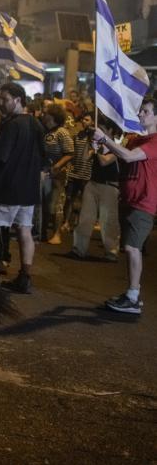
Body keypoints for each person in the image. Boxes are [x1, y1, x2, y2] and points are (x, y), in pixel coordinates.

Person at [93, 96, 157, 314]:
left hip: (144, 202)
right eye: (140, 111)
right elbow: (112, 157)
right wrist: (100, 144)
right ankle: (133, 295)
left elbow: (129, 157)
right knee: (129, 249)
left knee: (132, 248)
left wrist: (106, 139)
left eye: (146, 112)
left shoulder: (155, 141)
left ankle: (132, 297)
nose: (140, 114)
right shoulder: (134, 138)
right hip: (128, 200)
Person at [0, 83, 46, 293]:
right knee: (24, 230)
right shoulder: (36, 124)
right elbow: (45, 157)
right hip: (28, 189)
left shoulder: (13, 125)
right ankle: (25, 276)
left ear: (18, 99)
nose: (1, 103)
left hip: (6, 187)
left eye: (5, 99)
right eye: (0, 99)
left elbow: (0, 155)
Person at [72, 117, 121, 261]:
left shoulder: (117, 145)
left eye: (102, 129)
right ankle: (78, 249)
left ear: (110, 131)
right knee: (85, 218)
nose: (98, 132)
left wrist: (96, 149)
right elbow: (85, 158)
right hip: (92, 183)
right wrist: (90, 145)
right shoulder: (96, 143)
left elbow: (105, 161)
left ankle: (111, 252)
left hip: (109, 186)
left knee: (108, 221)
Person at [41, 104, 74, 244]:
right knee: (44, 203)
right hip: (45, 171)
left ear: (53, 116)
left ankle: (57, 234)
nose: (44, 115)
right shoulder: (46, 131)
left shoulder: (62, 132)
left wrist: (58, 165)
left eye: (47, 113)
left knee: (55, 204)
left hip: (58, 173)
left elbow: (70, 152)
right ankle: (41, 232)